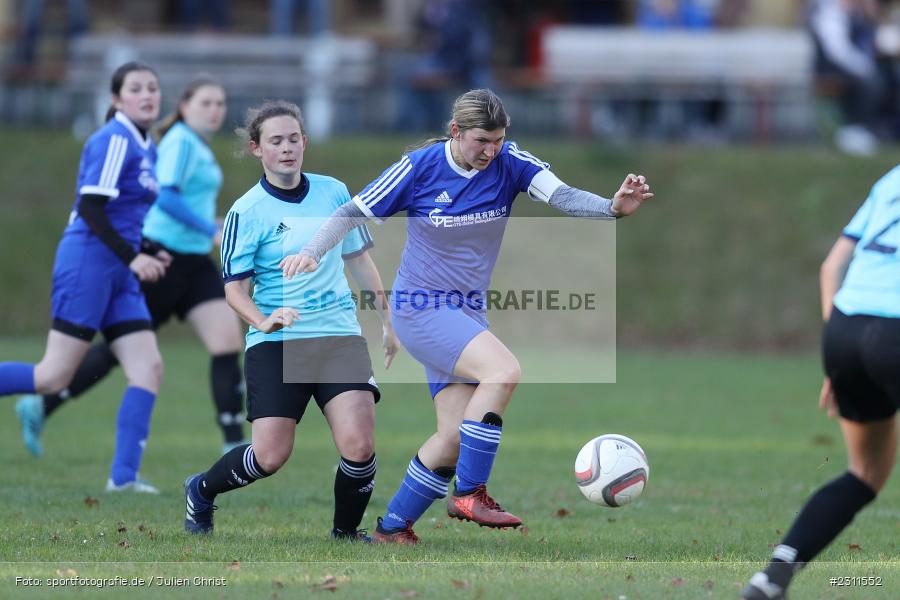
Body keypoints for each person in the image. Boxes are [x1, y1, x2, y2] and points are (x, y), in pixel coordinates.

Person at [282, 88, 653, 544]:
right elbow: (349, 213)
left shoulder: (510, 161)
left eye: (497, 140)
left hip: (466, 313)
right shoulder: (420, 168)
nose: (490, 151)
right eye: (482, 140)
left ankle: (392, 529)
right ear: (456, 132)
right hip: (420, 308)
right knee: (504, 371)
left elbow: (562, 196)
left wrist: (612, 208)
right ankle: (471, 492)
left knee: (453, 436)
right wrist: (311, 252)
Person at [182, 101, 397, 540]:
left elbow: (359, 260)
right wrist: (261, 321)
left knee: (359, 443)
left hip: (338, 335)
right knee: (269, 456)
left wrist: (386, 319)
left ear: (305, 142)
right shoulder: (247, 211)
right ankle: (200, 490)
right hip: (278, 343)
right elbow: (233, 290)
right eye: (276, 141)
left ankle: (345, 533)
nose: (287, 148)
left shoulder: (335, 192)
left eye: (294, 139)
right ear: (256, 149)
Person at [15, 76, 248, 457]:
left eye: (220, 103)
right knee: (115, 351)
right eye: (206, 103)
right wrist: (206, 230)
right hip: (162, 258)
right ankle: (44, 402)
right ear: (185, 107)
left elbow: (185, 202)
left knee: (226, 341)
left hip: (189, 260)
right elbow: (165, 199)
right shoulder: (178, 143)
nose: (215, 110)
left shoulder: (195, 148)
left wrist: (218, 225)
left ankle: (232, 441)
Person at [0, 61, 168, 492]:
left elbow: (122, 214)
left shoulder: (146, 146)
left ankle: (123, 480)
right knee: (51, 377)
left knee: (148, 367)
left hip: (120, 268)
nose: (148, 95)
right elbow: (90, 209)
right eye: (136, 88)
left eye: (153, 87)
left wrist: (147, 249)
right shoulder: (114, 139)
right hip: (89, 263)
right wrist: (133, 258)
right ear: (116, 100)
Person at [741, 165, 900, 599]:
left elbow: (832, 266)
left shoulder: (891, 180)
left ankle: (775, 574)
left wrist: (838, 359)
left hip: (845, 329)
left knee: (865, 473)